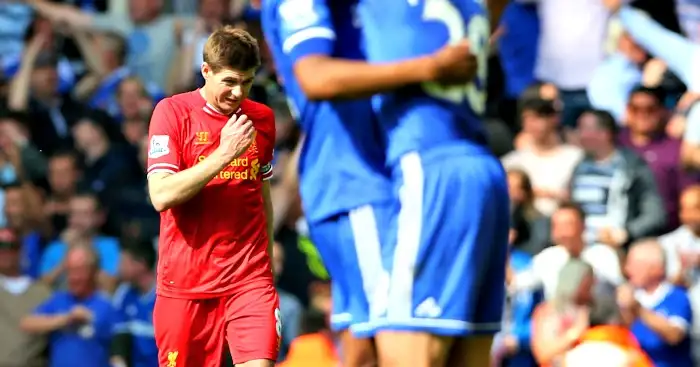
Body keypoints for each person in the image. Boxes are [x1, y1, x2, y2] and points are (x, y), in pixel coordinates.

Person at [260, 1, 478, 366]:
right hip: (357, 180)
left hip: (357, 178)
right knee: (398, 340)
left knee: (364, 348)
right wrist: (431, 68)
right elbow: (317, 79)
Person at [358, 1, 509, 366]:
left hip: (430, 164)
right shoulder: (472, 5)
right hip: (482, 165)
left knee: (404, 348)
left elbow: (315, 77)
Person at [146, 26, 278, 367]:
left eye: (247, 82)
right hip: (186, 285)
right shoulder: (171, 113)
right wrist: (223, 154)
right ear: (206, 71)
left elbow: (260, 190)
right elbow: (161, 195)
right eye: (230, 81)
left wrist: (268, 258)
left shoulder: (261, 119)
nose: (238, 92)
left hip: (249, 279)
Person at [20, 244, 121, 367]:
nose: (74, 277)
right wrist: (66, 318)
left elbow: (118, 350)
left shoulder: (106, 306)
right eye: (70, 271)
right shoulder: (58, 300)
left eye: (79, 271)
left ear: (93, 272)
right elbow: (27, 323)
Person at [619, 239, 694, 367]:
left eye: (635, 264)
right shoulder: (630, 295)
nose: (628, 270)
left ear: (656, 269)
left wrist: (638, 310)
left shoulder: (676, 296)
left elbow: (674, 335)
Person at [530, 259, 595, 367]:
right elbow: (543, 354)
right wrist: (574, 333)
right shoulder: (549, 311)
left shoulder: (591, 309)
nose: (590, 292)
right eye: (587, 286)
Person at [111, 238, 158, 367]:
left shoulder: (164, 297)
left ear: (141, 264)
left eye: (124, 263)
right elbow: (119, 338)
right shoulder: (123, 293)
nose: (118, 268)